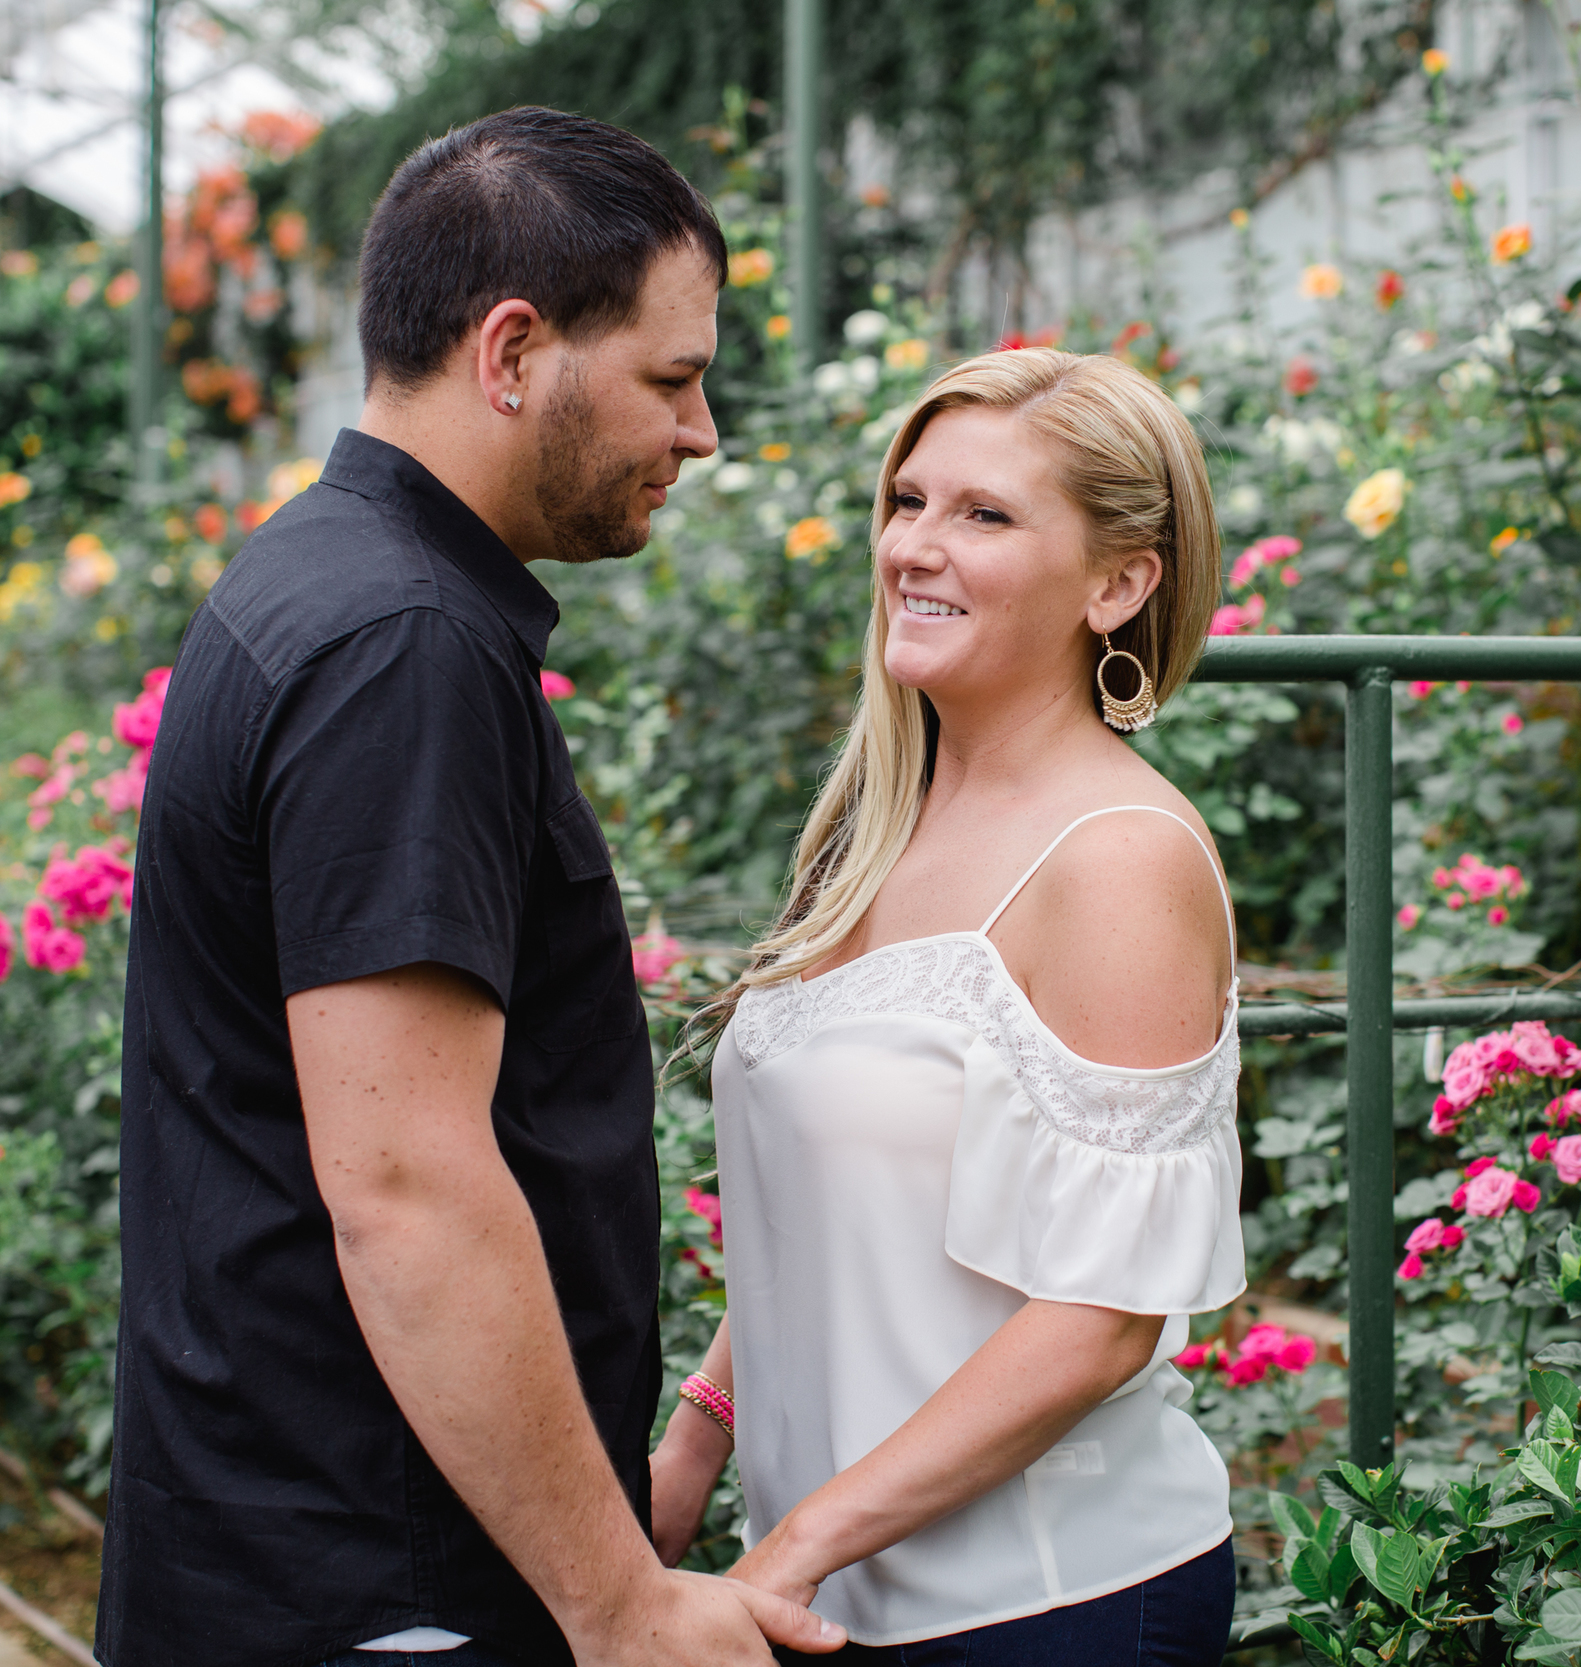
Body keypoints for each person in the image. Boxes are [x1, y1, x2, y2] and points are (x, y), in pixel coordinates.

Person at [98, 107, 844, 1667]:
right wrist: (616, 1603)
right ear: (513, 354)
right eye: (673, 376)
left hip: (308, 1547)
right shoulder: (404, 648)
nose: (702, 433)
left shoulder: (325, 575)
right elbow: (409, 1190)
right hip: (379, 1584)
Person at [651, 350, 1244, 1666]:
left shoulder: (1118, 858)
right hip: (831, 1593)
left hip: (1045, 1608)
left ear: (1119, 582)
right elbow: (849, 1216)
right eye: (907, 501)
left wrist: (791, 1550)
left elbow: (1102, 1318)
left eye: (983, 515)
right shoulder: (873, 829)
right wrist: (693, 1445)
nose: (915, 546)